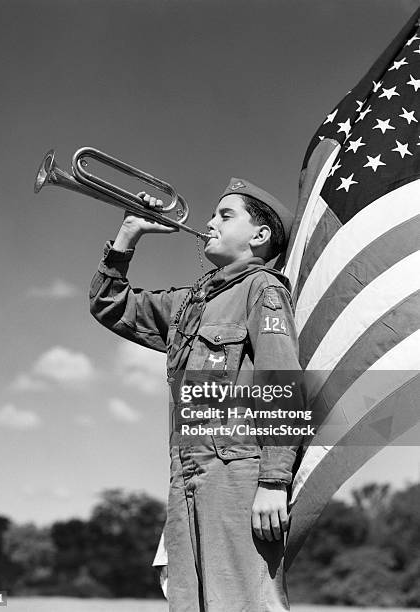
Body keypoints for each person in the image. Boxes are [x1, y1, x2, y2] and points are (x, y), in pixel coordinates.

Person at [89, 177, 302, 611]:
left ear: (260, 236)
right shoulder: (190, 303)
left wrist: (274, 481)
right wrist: (129, 232)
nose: (209, 223)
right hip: (185, 472)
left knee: (243, 603)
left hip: (238, 472)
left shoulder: (264, 289)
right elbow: (108, 303)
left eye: (225, 215)